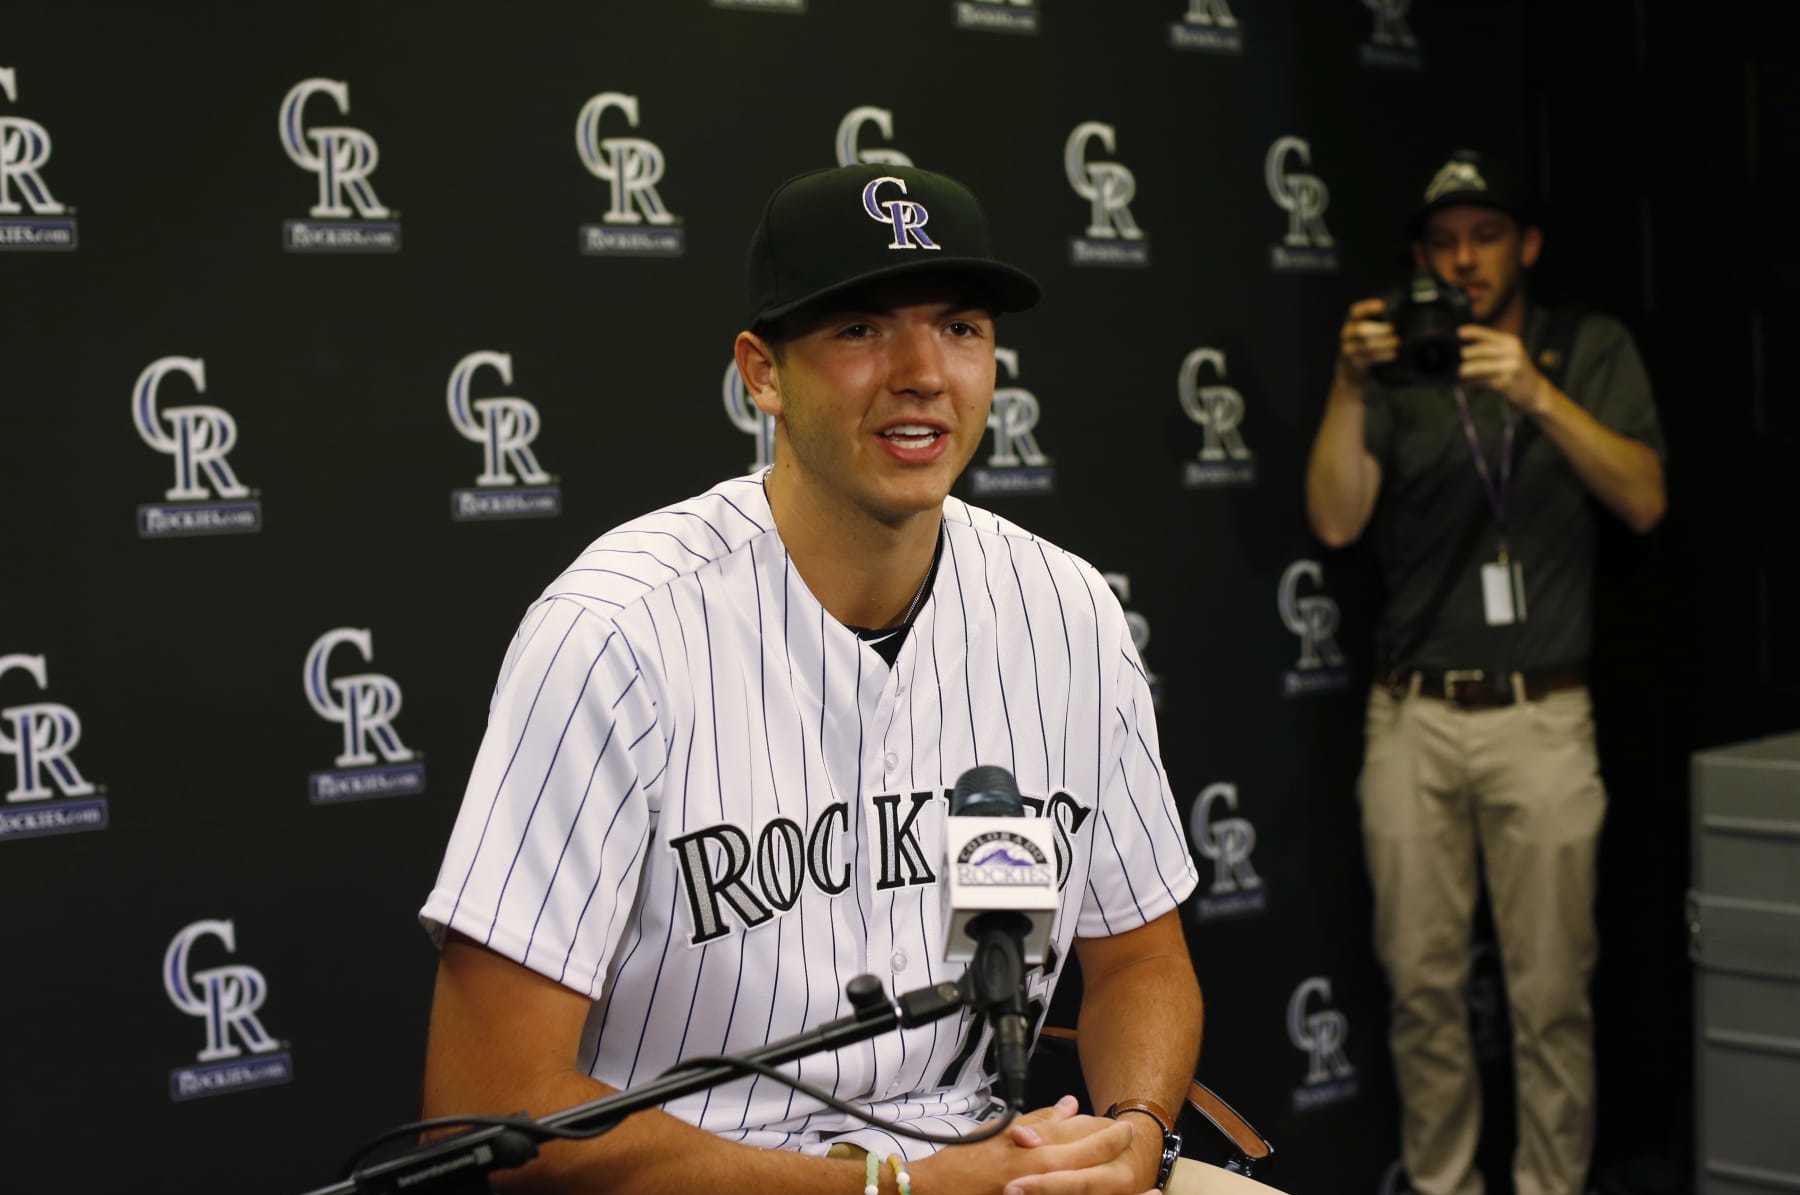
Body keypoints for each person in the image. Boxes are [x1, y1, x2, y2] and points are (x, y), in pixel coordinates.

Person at [418, 163, 1202, 1195]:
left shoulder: (1069, 610)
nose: (924, 372)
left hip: (992, 1165)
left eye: (960, 327)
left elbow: (1142, 962)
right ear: (763, 371)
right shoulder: (616, 633)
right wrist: (891, 1190)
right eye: (861, 329)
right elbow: (487, 1112)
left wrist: (1134, 1132)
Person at [1304, 148, 1667, 1195]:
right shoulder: (1400, 363)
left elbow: (1644, 497)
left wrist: (1537, 394)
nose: (1464, 260)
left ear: (1527, 247)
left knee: (1551, 994)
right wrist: (1345, 378)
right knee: (1421, 992)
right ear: (1421, 259)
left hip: (1541, 716)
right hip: (1413, 717)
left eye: (1486, 236)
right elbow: (1334, 515)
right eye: (1445, 242)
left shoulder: (1584, 348)